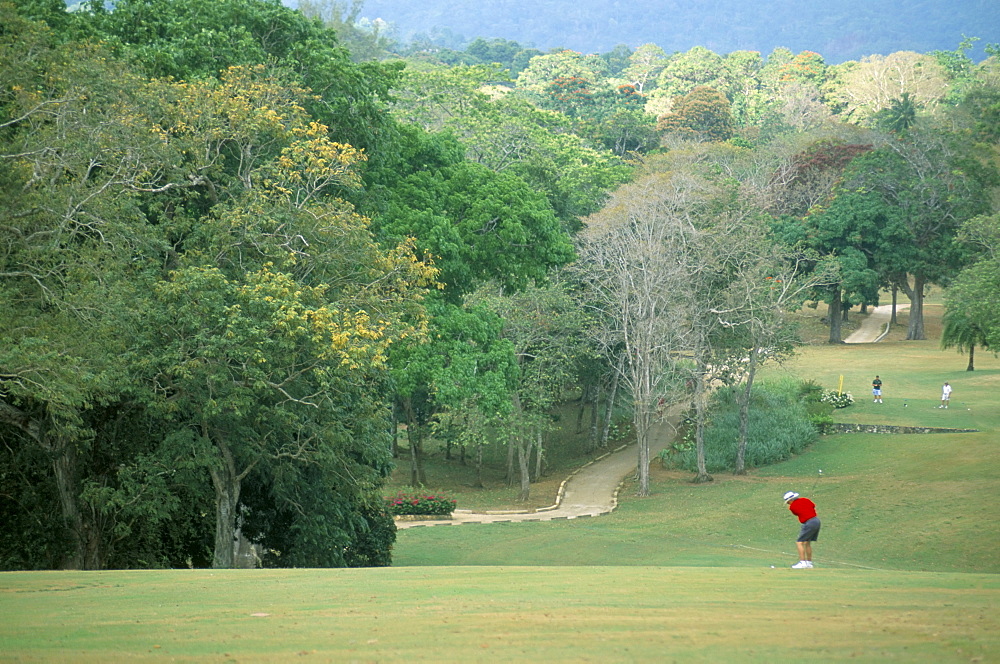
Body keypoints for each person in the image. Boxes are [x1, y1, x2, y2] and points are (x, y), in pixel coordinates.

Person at [783, 491, 820, 569]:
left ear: (790, 500)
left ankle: (802, 562)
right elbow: (813, 506)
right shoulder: (805, 499)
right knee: (807, 542)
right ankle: (809, 563)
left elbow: (796, 513)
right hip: (816, 521)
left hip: (809, 522)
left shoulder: (792, 507)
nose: (788, 504)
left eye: (788, 502)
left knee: (799, 542)